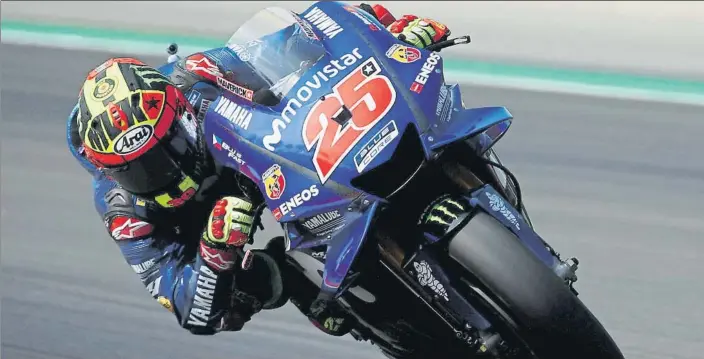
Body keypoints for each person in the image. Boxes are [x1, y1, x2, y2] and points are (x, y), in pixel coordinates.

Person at [66, 3, 450, 338]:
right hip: (210, 230)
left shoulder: (199, 76)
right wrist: (214, 252)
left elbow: (303, 41)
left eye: (170, 148)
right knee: (241, 299)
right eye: (140, 171)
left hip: (257, 165)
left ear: (181, 113)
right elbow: (189, 309)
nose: (164, 172)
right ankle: (315, 291)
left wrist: (385, 33)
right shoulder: (125, 212)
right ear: (111, 170)